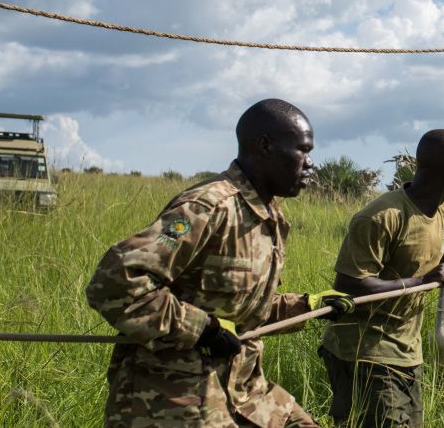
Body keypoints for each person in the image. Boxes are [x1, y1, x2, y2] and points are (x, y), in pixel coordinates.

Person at [86, 99, 348, 427]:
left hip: (244, 393)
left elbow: (241, 308)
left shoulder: (269, 216)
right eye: (302, 151)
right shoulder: (207, 208)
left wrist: (310, 306)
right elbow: (115, 281)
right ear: (265, 146)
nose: (311, 165)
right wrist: (201, 328)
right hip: (176, 401)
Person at [320, 129, 444, 428]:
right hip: (364, 353)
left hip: (407, 350)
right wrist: (420, 282)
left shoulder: (442, 209)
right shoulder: (380, 218)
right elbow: (349, 287)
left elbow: (431, 242)